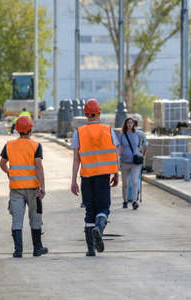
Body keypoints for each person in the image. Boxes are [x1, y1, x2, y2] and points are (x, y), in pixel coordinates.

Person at [70, 99, 119, 256]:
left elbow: (76, 159)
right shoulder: (108, 130)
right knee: (103, 208)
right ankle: (99, 227)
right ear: (99, 112)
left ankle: (91, 249)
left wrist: (73, 180)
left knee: (89, 210)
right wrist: (116, 172)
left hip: (86, 177)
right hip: (103, 176)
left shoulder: (79, 132)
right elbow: (114, 153)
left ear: (85, 114)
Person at [0, 116, 48, 258]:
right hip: (33, 189)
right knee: (35, 217)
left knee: (17, 219)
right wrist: (43, 187)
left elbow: (2, 164)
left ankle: (18, 250)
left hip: (16, 188)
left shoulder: (9, 145)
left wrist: (9, 172)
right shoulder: (36, 145)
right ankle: (37, 248)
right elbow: (38, 166)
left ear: (17, 130)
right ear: (30, 129)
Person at [119, 118, 146, 210]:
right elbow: (119, 147)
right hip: (124, 162)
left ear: (134, 124)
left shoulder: (138, 134)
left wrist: (142, 155)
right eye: (128, 123)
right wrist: (118, 156)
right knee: (125, 183)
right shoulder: (122, 135)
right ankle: (125, 200)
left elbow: (143, 145)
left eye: (131, 123)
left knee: (134, 181)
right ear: (125, 124)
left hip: (135, 162)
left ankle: (134, 201)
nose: (130, 124)